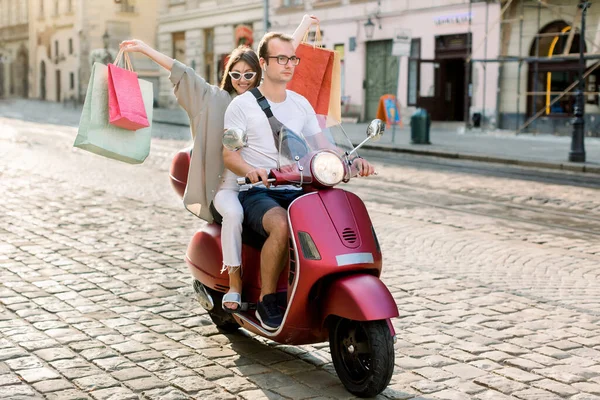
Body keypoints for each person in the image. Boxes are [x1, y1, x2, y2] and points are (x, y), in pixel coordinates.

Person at [119, 15, 319, 313]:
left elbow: (282, 54)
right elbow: (181, 72)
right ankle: (236, 284)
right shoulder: (216, 100)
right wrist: (146, 50)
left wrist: (304, 25)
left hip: (265, 185)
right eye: (236, 75)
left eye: (248, 75)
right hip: (228, 185)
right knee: (235, 215)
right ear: (228, 74)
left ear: (259, 73)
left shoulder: (261, 101)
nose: (242, 81)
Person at [223, 32, 375, 330]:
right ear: (264, 63)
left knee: (331, 214)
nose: (289, 64)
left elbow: (322, 145)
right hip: (259, 191)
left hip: (298, 187)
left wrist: (350, 162)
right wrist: (251, 171)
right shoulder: (242, 106)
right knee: (280, 223)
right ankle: (269, 300)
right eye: (281, 58)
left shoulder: (301, 104)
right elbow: (229, 155)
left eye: (292, 58)